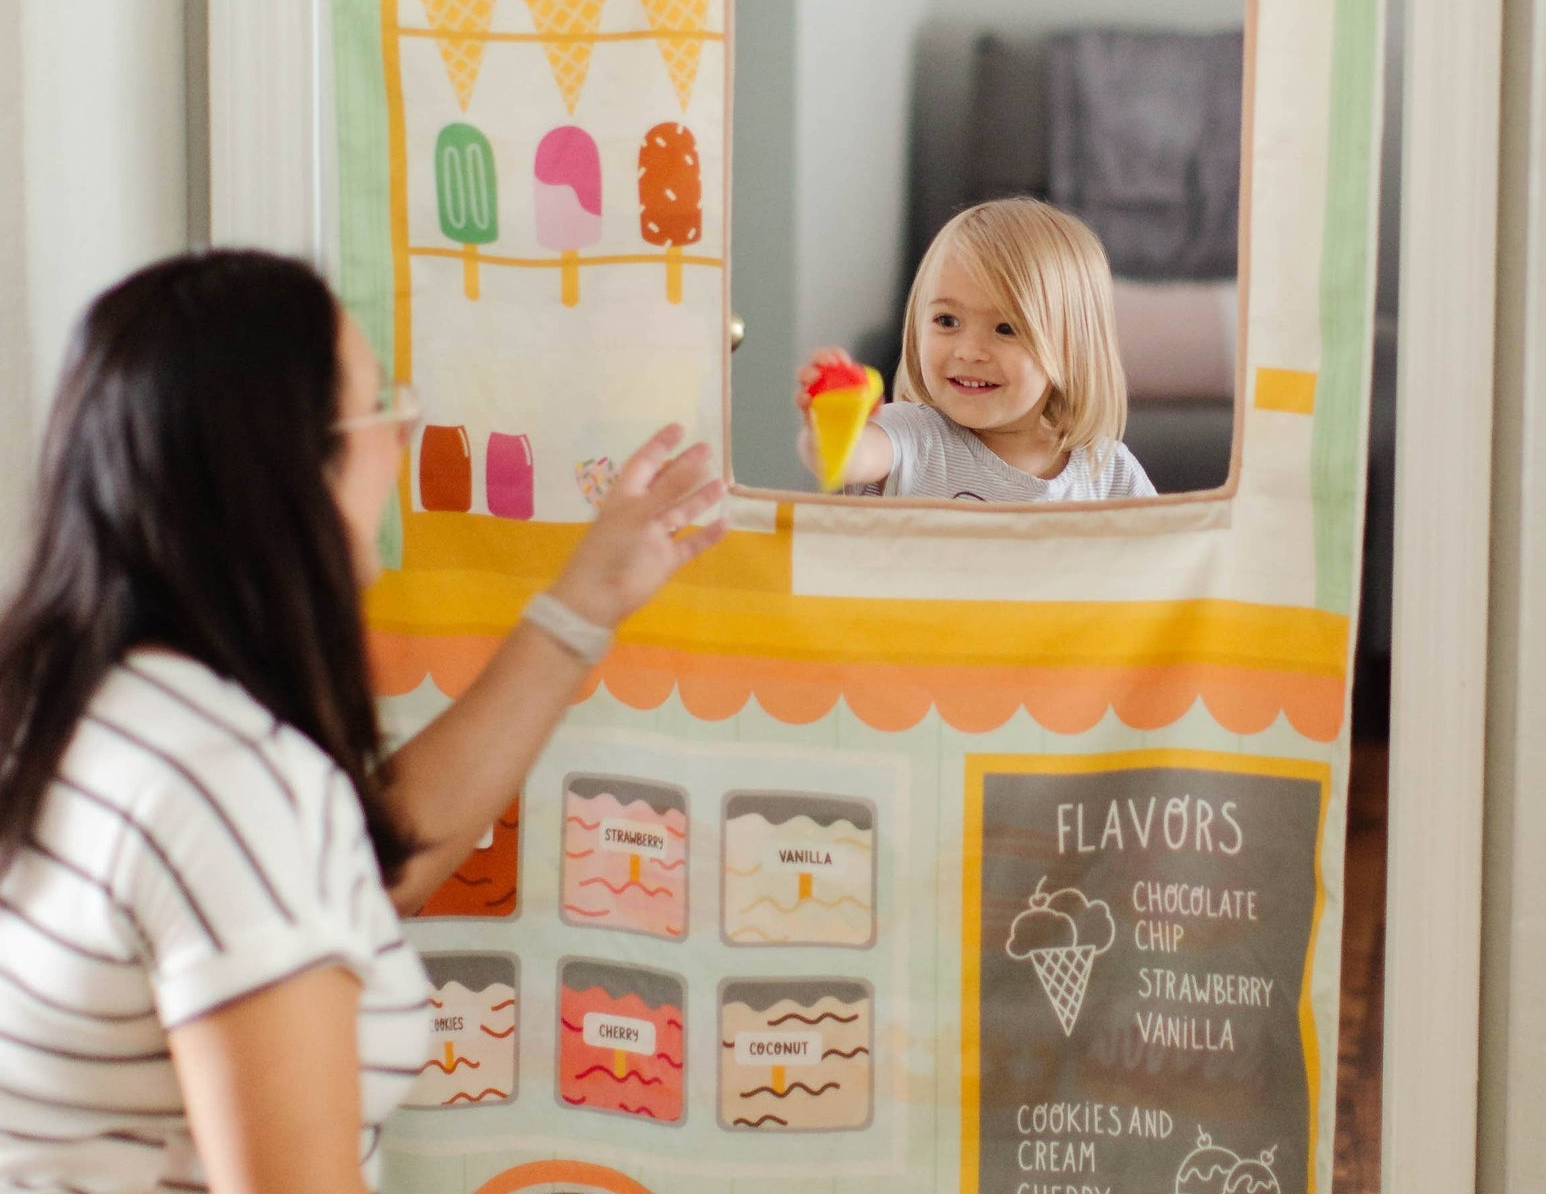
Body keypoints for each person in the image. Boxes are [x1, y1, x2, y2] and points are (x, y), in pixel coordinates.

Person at [0, 250, 725, 1194]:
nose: (404, 432)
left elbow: (353, 876)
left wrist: (579, 607)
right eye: (383, 402)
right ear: (297, 468)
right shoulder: (228, 778)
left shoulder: (82, 704)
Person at [795, 197, 1155, 502]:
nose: (968, 352)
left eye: (1006, 329)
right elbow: (844, 460)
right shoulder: (914, 434)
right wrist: (832, 424)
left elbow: (1168, 560)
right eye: (947, 321)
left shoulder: (1108, 472)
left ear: (1071, 349)